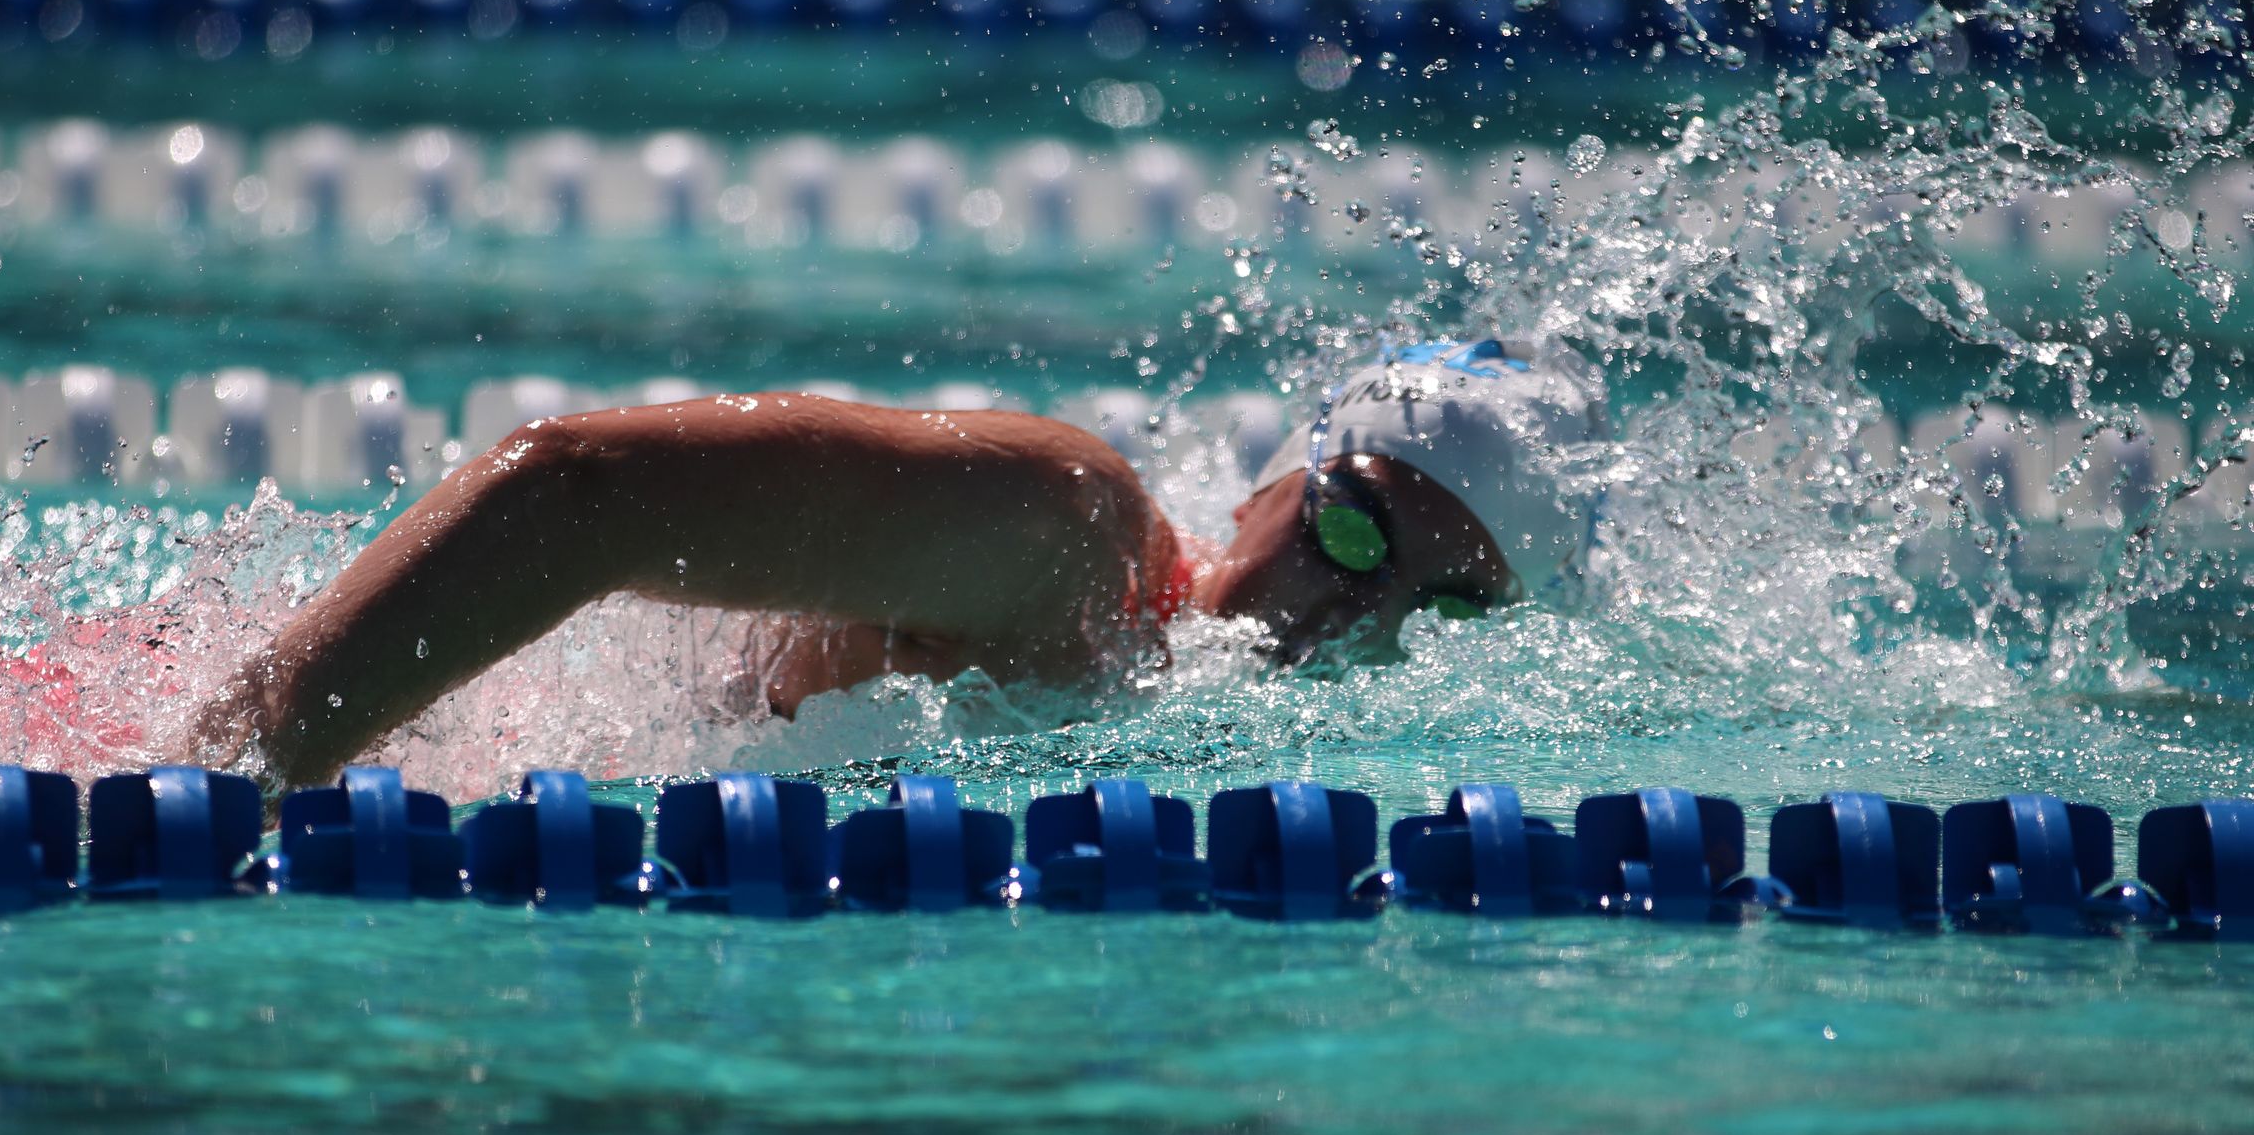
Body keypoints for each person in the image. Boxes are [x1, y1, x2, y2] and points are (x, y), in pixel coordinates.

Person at [199, 339, 1603, 787]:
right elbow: (582, 491)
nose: (1358, 612)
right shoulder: (1071, 542)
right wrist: (233, 770)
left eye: (1448, 605)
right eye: (1355, 528)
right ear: (1277, 481)